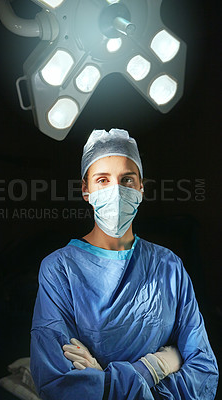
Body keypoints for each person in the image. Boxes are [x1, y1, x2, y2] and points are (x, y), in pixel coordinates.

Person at [30, 128, 219, 400]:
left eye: (127, 179)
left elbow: (203, 371)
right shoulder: (60, 269)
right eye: (103, 180)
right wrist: (154, 367)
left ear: (141, 187)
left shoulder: (168, 266)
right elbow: (59, 384)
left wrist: (105, 381)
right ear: (86, 190)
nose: (116, 191)